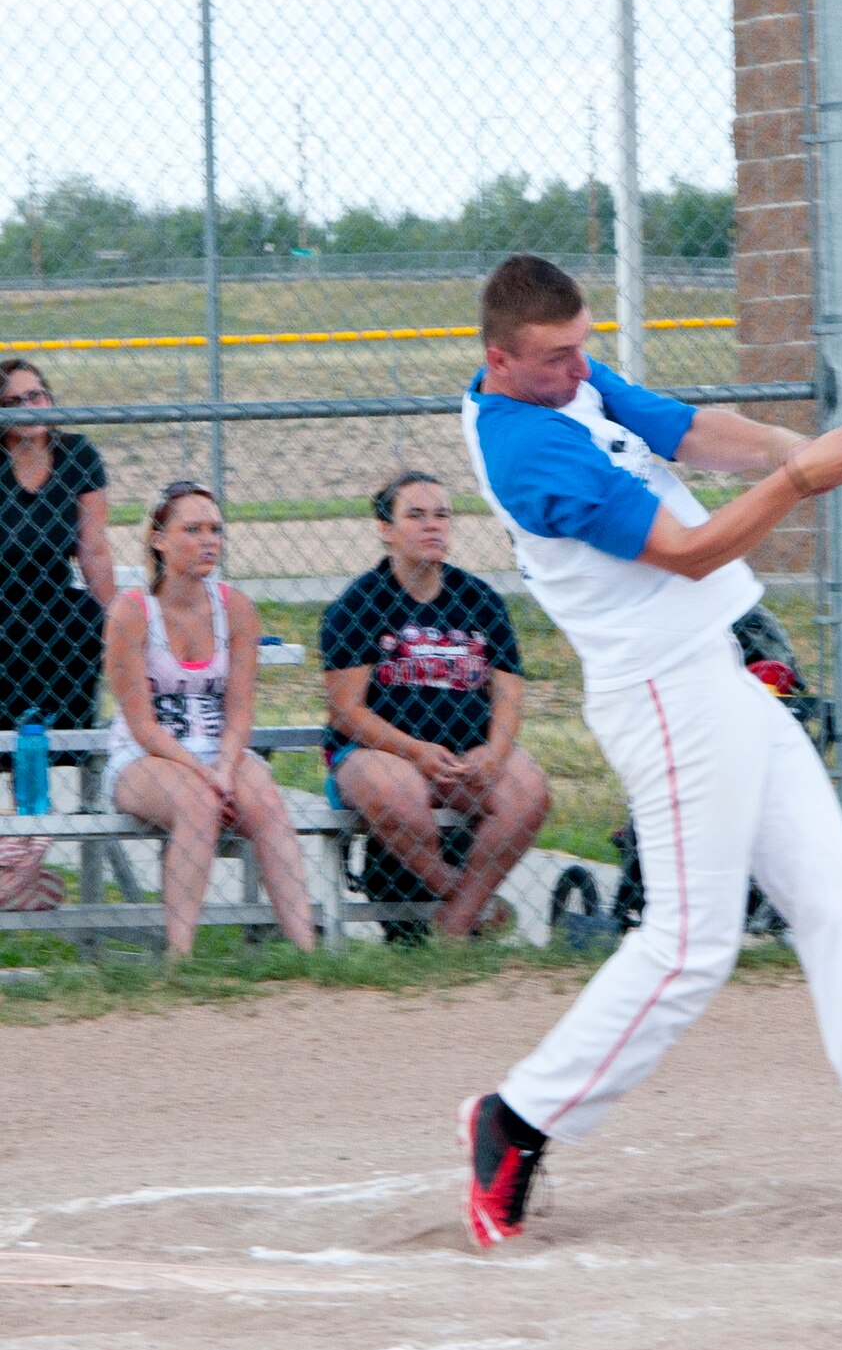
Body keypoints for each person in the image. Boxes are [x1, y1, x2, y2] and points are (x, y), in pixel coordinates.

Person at [456, 254, 842, 1247]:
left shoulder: (572, 384)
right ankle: (518, 1121)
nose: (574, 369)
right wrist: (800, 481)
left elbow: (681, 429)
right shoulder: (522, 447)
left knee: (840, 903)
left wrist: (774, 445)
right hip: (666, 694)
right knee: (688, 945)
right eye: (552, 358)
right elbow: (687, 550)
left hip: (719, 678)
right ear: (497, 357)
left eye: (581, 346)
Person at [320, 470, 550, 938]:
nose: (433, 526)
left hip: (465, 752)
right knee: (400, 796)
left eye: (442, 515)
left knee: (530, 793)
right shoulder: (360, 604)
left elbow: (509, 694)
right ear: (386, 530)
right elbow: (346, 711)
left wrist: (495, 751)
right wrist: (415, 751)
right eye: (416, 515)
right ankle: (463, 902)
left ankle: (452, 929)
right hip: (377, 754)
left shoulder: (480, 601)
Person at [104, 481, 316, 958]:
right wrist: (205, 775)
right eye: (193, 529)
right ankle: (181, 959)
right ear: (159, 539)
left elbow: (240, 710)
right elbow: (142, 726)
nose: (208, 541)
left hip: (220, 750)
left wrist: (224, 767)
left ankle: (308, 950)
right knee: (197, 803)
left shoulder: (236, 608)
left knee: (265, 799)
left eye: (216, 530)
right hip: (145, 756)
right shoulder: (131, 612)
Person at [0, 358, 115, 737]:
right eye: (13, 401)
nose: (28, 407)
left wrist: (115, 618)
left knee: (85, 616)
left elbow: (93, 549)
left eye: (35, 395)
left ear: (49, 399)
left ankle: (69, 746)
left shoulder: (76, 454)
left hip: (54, 598)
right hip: (3, 601)